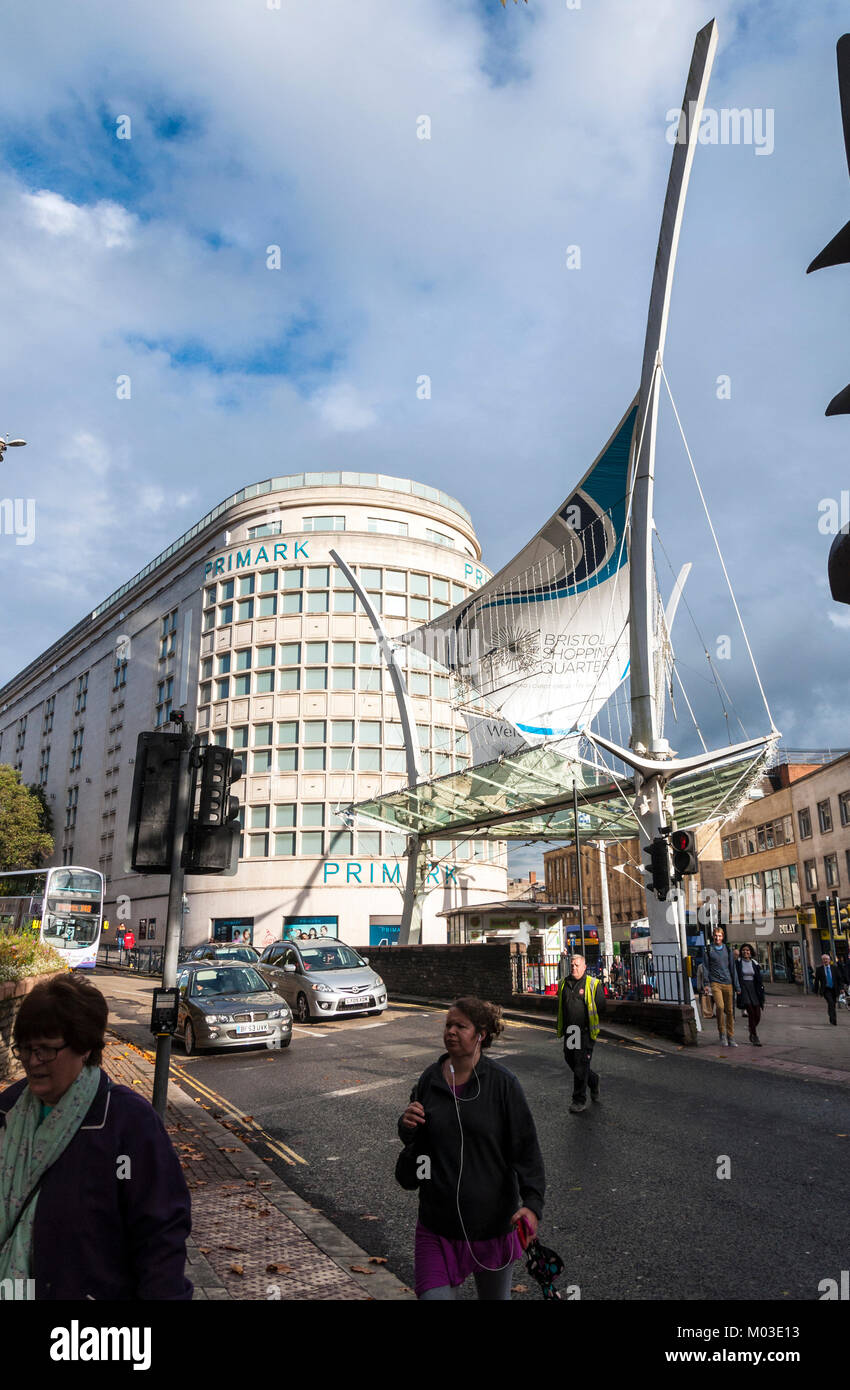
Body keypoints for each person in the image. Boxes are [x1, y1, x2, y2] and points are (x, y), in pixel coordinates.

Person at [0, 973, 193, 1299]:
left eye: (46, 1050)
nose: (33, 1061)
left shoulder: (129, 1123)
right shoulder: (6, 1111)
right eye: (26, 1048)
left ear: (85, 1047)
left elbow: (160, 1238)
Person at [397, 997, 545, 1301]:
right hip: (437, 1227)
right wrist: (406, 1125)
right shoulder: (430, 1079)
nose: (450, 1031)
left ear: (481, 1035)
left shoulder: (503, 1085)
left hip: (491, 1227)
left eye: (460, 1026)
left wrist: (532, 1205)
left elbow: (526, 1149)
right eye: (448, 1025)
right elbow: (417, 1142)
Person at [555, 953, 604, 1113]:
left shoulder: (592, 983)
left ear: (584, 967)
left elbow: (601, 1006)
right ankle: (593, 1080)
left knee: (580, 1065)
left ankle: (579, 1100)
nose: (574, 968)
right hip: (571, 1031)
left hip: (585, 1032)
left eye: (577, 965)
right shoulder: (564, 983)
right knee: (570, 1059)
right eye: (572, 965)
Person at [706, 927, 738, 1047]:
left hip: (728, 983)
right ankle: (722, 1034)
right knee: (720, 1007)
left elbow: (733, 968)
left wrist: (737, 986)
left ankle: (731, 1036)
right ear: (713, 936)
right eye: (715, 935)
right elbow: (705, 967)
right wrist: (706, 984)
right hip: (715, 983)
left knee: (729, 1011)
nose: (717, 938)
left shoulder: (728, 950)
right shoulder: (709, 949)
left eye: (719, 936)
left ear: (722, 937)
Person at [734, 943, 766, 1045]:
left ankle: (751, 1028)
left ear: (751, 952)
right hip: (743, 987)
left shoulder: (755, 963)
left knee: (757, 1015)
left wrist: (761, 989)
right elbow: (735, 975)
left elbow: (758, 978)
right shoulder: (738, 962)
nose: (745, 952)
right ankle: (754, 1036)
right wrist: (737, 988)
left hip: (754, 988)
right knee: (751, 1012)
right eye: (743, 950)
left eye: (747, 950)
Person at [814, 953, 846, 1026]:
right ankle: (833, 1019)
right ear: (822, 960)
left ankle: (830, 1014)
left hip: (834, 989)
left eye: (827, 959)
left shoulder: (834, 968)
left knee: (832, 1004)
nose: (825, 960)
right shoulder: (819, 969)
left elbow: (840, 979)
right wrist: (816, 991)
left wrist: (841, 988)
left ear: (829, 960)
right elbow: (816, 981)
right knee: (831, 1002)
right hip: (826, 989)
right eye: (824, 959)